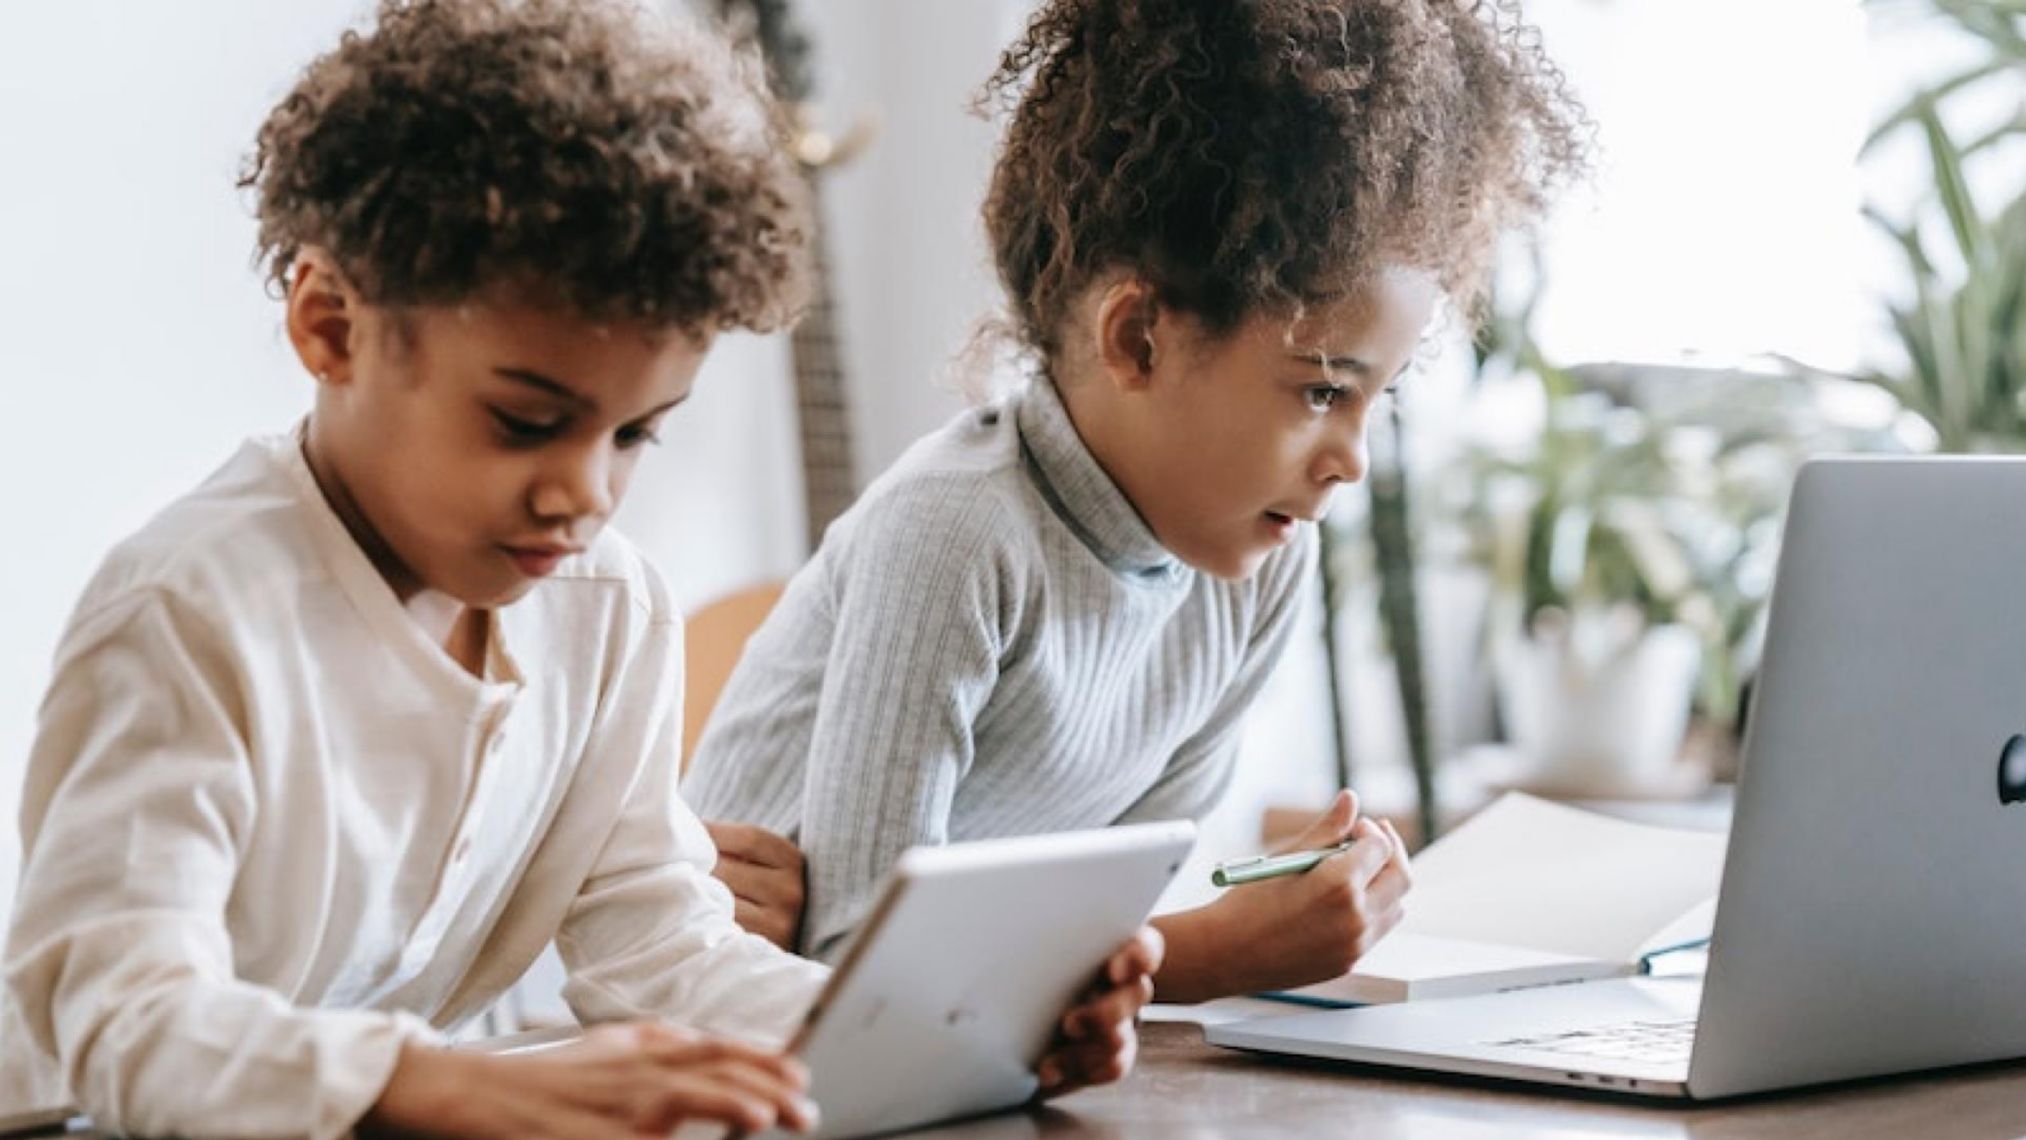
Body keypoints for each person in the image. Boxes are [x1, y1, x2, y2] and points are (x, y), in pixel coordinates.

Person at [0, 3, 1156, 1136]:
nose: (585, 494)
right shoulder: (186, 613)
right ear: (331, 326)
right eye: (524, 421)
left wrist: (953, 1041)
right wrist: (445, 1086)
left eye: (635, 434)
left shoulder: (608, 610)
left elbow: (661, 945)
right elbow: (123, 1015)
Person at [688, 0, 1589, 1003]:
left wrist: (1159, 949)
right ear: (1138, 341)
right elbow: (860, 970)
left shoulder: (1252, 572)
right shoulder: (954, 531)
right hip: (723, 1047)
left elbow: (1091, 931)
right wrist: (1216, 954)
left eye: (1380, 397)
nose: (1352, 461)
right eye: (1324, 392)